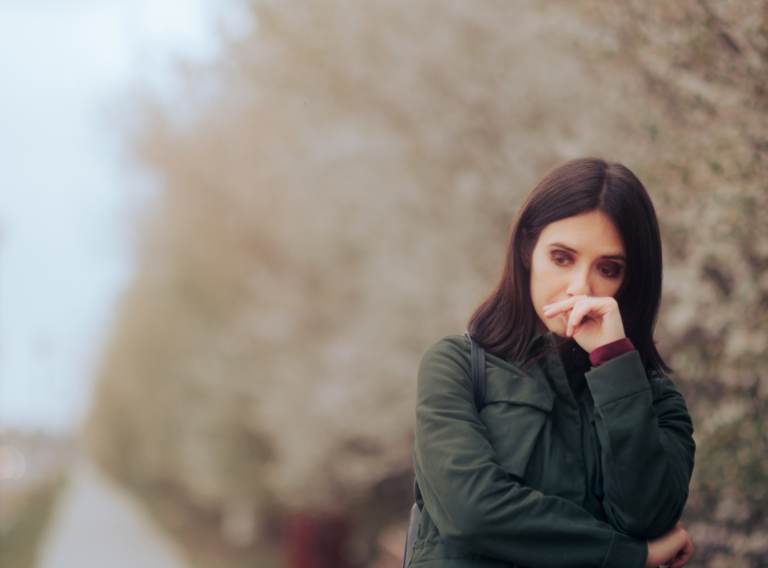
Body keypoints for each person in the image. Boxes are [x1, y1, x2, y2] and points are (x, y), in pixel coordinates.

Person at [411, 157, 695, 568]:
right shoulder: (454, 367)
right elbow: (472, 514)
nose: (581, 287)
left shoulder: (654, 399)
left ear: (630, 280)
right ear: (527, 250)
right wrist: (631, 556)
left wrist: (614, 362)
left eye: (608, 268)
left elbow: (648, 515)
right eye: (562, 258)